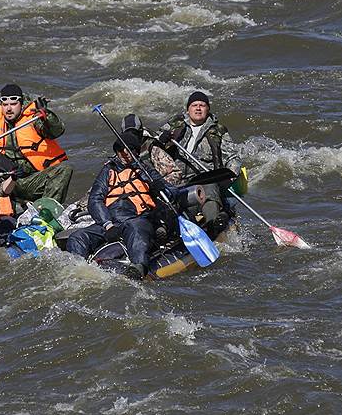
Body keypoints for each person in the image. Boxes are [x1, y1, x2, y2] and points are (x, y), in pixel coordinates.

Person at [65, 131, 178, 280]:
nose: (125, 154)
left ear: (136, 152)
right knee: (78, 237)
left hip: (138, 218)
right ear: (117, 152)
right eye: (121, 151)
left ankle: (138, 268)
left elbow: (172, 192)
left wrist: (159, 186)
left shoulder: (146, 171)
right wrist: (107, 224)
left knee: (137, 230)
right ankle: (78, 271)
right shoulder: (108, 171)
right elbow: (95, 200)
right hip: (112, 221)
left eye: (129, 150)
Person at [156, 90, 242, 236]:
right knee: (164, 195)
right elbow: (152, 144)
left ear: (207, 109)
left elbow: (233, 157)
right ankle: (164, 228)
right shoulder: (174, 125)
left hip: (205, 178)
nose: (198, 108)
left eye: (202, 105)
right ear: (188, 109)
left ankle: (213, 225)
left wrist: (231, 174)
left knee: (208, 189)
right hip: (177, 179)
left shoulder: (218, 131)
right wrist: (160, 140)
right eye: (194, 105)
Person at [0, 83, 72, 204]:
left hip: (33, 180)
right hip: (8, 182)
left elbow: (56, 131)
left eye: (13, 104)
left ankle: (46, 212)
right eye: (5, 105)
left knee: (65, 168)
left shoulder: (34, 119)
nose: (9, 109)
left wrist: (46, 115)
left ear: (21, 104)